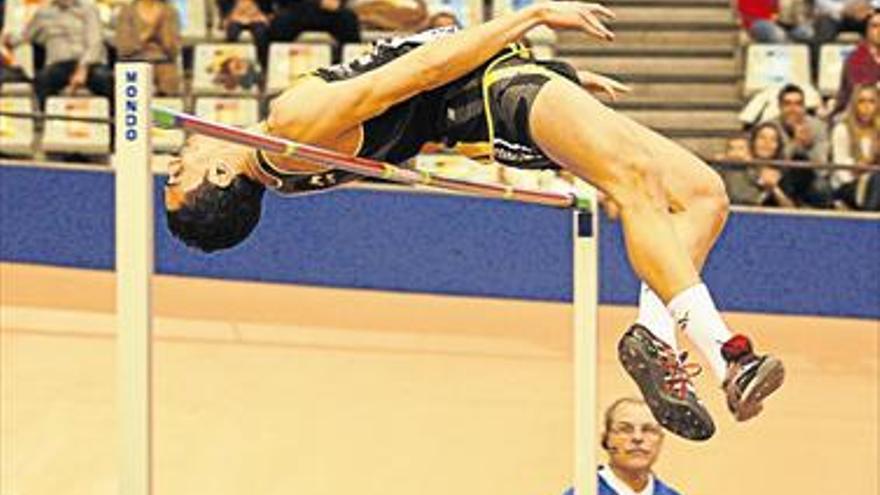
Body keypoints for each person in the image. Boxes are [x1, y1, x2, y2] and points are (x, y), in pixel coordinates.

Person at [164, 3, 785, 441]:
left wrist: (559, 85)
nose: (175, 160)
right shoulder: (295, 128)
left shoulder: (290, 171)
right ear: (219, 180)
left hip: (503, 89)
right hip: (493, 94)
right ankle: (730, 355)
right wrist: (532, 16)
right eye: (175, 177)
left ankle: (654, 337)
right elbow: (422, 73)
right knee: (636, 184)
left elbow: (411, 97)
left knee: (704, 194)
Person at [0, 0, 113, 110]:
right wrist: (7, 39)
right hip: (59, 65)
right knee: (42, 80)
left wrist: (82, 69)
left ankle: (115, 123)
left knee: (106, 80)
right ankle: (43, 123)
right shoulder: (44, 13)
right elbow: (25, 36)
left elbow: (95, 42)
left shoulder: (89, 8)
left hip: (91, 64)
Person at [563, 398, 683, 495]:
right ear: (606, 439)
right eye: (625, 429)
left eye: (649, 429)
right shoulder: (584, 492)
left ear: (660, 440)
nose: (637, 437)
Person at [115, 0, 182, 95]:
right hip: (134, 61)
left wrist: (163, 32)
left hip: (163, 61)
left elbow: (173, 50)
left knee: (169, 76)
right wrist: (150, 32)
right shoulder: (127, 11)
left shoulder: (169, 11)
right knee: (134, 78)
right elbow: (125, 48)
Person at [831, 84, 879, 207]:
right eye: (861, 101)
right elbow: (840, 168)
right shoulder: (842, 129)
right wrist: (864, 170)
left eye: (871, 102)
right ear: (854, 105)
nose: (866, 107)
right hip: (847, 185)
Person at [269, 0, 362, 63]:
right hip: (294, 9)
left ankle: (351, 70)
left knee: (348, 20)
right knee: (280, 24)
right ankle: (276, 73)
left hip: (328, 11)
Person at [830, 11, 880, 120]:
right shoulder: (856, 59)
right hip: (855, 115)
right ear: (866, 31)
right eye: (875, 26)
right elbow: (863, 95)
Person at [216, 0, 272, 71]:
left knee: (261, 33)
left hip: (256, 15)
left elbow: (267, 7)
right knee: (232, 32)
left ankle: (263, 66)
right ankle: (232, 67)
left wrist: (266, 15)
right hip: (235, 15)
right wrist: (226, 16)